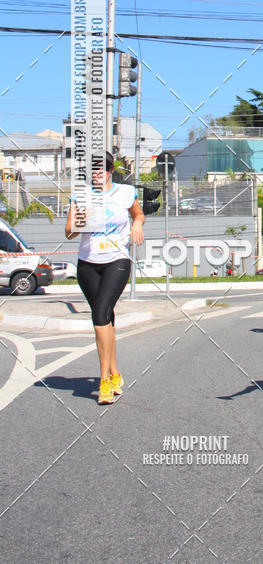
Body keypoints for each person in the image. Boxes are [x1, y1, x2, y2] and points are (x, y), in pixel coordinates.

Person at [65, 152, 145, 404]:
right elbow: (68, 232)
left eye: (102, 169)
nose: (97, 173)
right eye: (93, 170)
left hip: (117, 261)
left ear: (111, 170)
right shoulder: (81, 195)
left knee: (100, 314)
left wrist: (138, 224)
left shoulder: (125, 192)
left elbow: (138, 214)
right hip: (88, 264)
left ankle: (104, 382)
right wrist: (80, 220)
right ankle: (115, 372)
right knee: (105, 318)